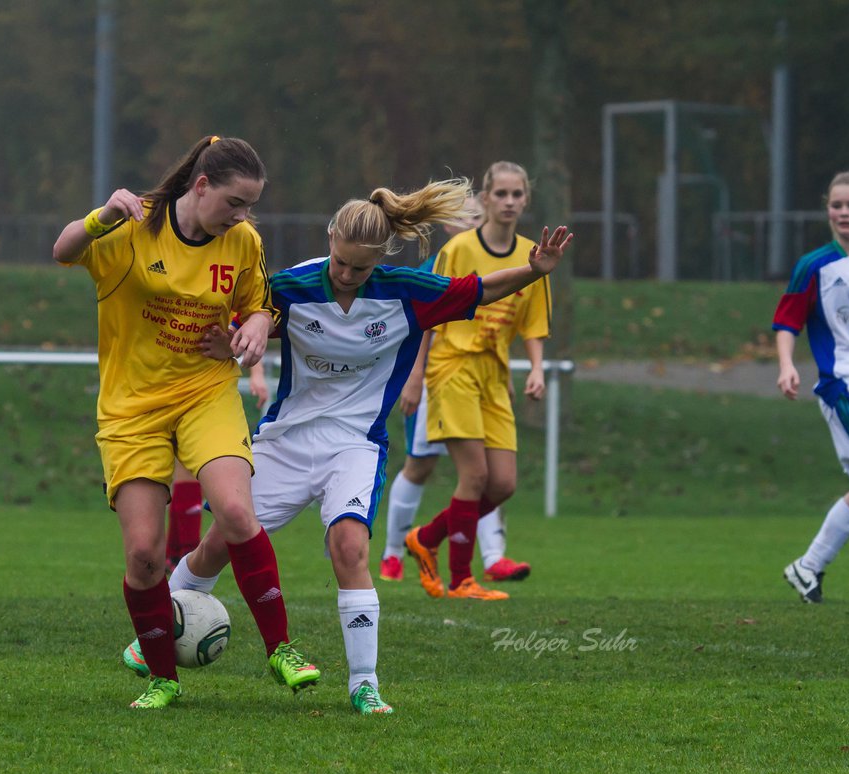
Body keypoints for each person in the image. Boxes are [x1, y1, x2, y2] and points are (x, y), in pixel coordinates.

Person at [126, 177, 572, 714]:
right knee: (219, 542)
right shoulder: (292, 286)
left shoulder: (405, 291)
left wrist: (534, 270)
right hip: (285, 440)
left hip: (356, 447)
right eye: (340, 261)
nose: (346, 274)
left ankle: (365, 683)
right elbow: (245, 317)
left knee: (350, 548)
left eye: (360, 268)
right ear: (331, 237)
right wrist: (232, 339)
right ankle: (155, 631)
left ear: (380, 259)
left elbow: (478, 289)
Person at [51, 135, 320, 709]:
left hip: (205, 391)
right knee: (145, 555)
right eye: (234, 203)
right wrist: (99, 218)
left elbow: (259, 304)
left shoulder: (241, 241)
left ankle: (282, 650)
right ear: (201, 187)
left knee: (235, 510)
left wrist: (253, 326)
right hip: (132, 409)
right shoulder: (134, 225)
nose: (243, 217)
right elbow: (63, 250)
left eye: (250, 206)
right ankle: (162, 679)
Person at [402, 161, 553, 600]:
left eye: (516, 194)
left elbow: (534, 323)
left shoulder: (534, 253)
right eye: (500, 194)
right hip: (452, 364)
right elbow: (431, 313)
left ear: (526, 200)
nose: (508, 202)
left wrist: (538, 370)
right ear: (485, 199)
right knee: (474, 475)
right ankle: (461, 579)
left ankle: (426, 537)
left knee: (503, 483)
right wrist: (416, 375)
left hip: (494, 372)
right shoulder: (460, 249)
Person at [380, 217, 531, 584]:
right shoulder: (439, 263)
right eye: (468, 217)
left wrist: (505, 374)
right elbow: (421, 326)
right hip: (441, 378)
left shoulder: (498, 260)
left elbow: (495, 326)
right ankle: (393, 553)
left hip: (481, 381)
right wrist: (414, 378)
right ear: (449, 225)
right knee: (422, 466)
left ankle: (492, 557)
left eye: (480, 217)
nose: (476, 223)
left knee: (482, 473)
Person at [773, 169, 849, 603]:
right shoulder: (814, 266)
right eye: (836, 205)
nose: (844, 212)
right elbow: (786, 321)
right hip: (846, 386)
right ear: (827, 211)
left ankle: (808, 567)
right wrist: (786, 365)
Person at [165, 363, 269, 570]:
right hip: (175, 387)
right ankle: (180, 554)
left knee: (187, 472)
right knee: (185, 472)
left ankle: (177, 554)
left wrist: (257, 373)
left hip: (206, 391)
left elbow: (248, 331)